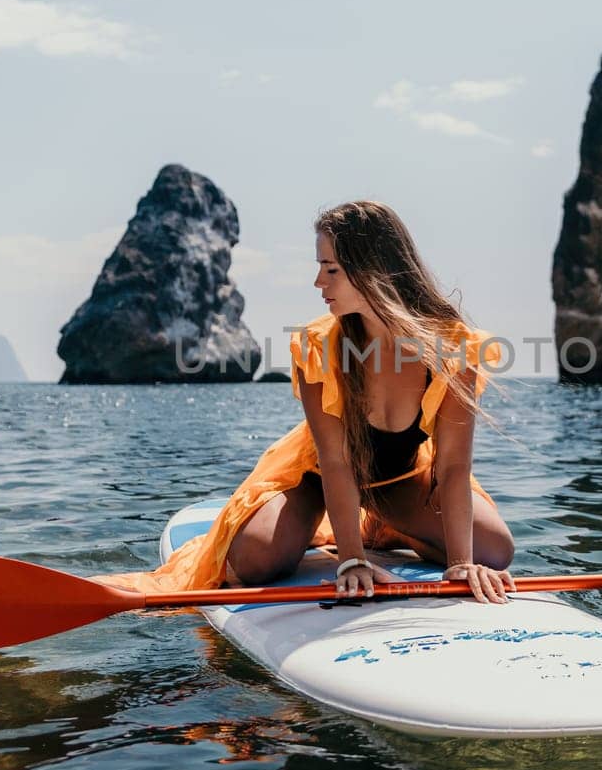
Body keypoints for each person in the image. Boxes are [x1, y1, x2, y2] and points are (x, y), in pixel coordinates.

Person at [96, 201, 517, 604]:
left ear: (372, 271)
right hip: (317, 477)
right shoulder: (318, 347)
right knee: (256, 560)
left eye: (330, 269)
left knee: (494, 551)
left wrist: (461, 566)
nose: (319, 283)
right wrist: (352, 560)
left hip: (400, 482)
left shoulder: (453, 347)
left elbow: (453, 465)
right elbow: (335, 462)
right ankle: (353, 531)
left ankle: (386, 526)